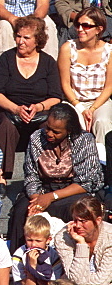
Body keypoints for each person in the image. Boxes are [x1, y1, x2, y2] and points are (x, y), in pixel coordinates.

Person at [7, 104, 103, 251]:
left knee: (77, 209)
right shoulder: (36, 138)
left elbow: (87, 181)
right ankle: (19, 257)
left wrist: (51, 197)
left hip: (72, 190)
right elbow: (31, 176)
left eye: (56, 132)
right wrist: (36, 202)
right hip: (42, 189)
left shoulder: (84, 140)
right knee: (22, 211)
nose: (49, 133)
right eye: (48, 128)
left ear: (68, 130)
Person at [0, 16, 63, 178]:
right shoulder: (7, 59)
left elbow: (56, 97)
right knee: (5, 125)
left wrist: (38, 107)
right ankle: (1, 176)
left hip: (39, 111)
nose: (20, 41)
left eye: (26, 38)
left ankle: (47, 174)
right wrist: (16, 109)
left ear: (37, 40)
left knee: (50, 125)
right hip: (10, 110)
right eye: (18, 36)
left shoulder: (48, 62)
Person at [58, 6, 112, 152]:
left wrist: (93, 109)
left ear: (99, 29)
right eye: (78, 25)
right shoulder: (68, 48)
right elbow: (65, 84)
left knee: (102, 122)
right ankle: (78, 163)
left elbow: (109, 87)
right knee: (77, 124)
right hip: (74, 101)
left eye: (86, 25)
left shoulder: (109, 51)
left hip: (100, 101)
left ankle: (104, 164)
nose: (80, 29)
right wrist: (81, 108)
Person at [53, 196, 112, 285]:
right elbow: (75, 278)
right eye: (75, 220)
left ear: (98, 220)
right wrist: (81, 244)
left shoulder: (109, 237)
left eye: (83, 221)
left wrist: (79, 282)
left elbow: (101, 283)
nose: (77, 225)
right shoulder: (64, 238)